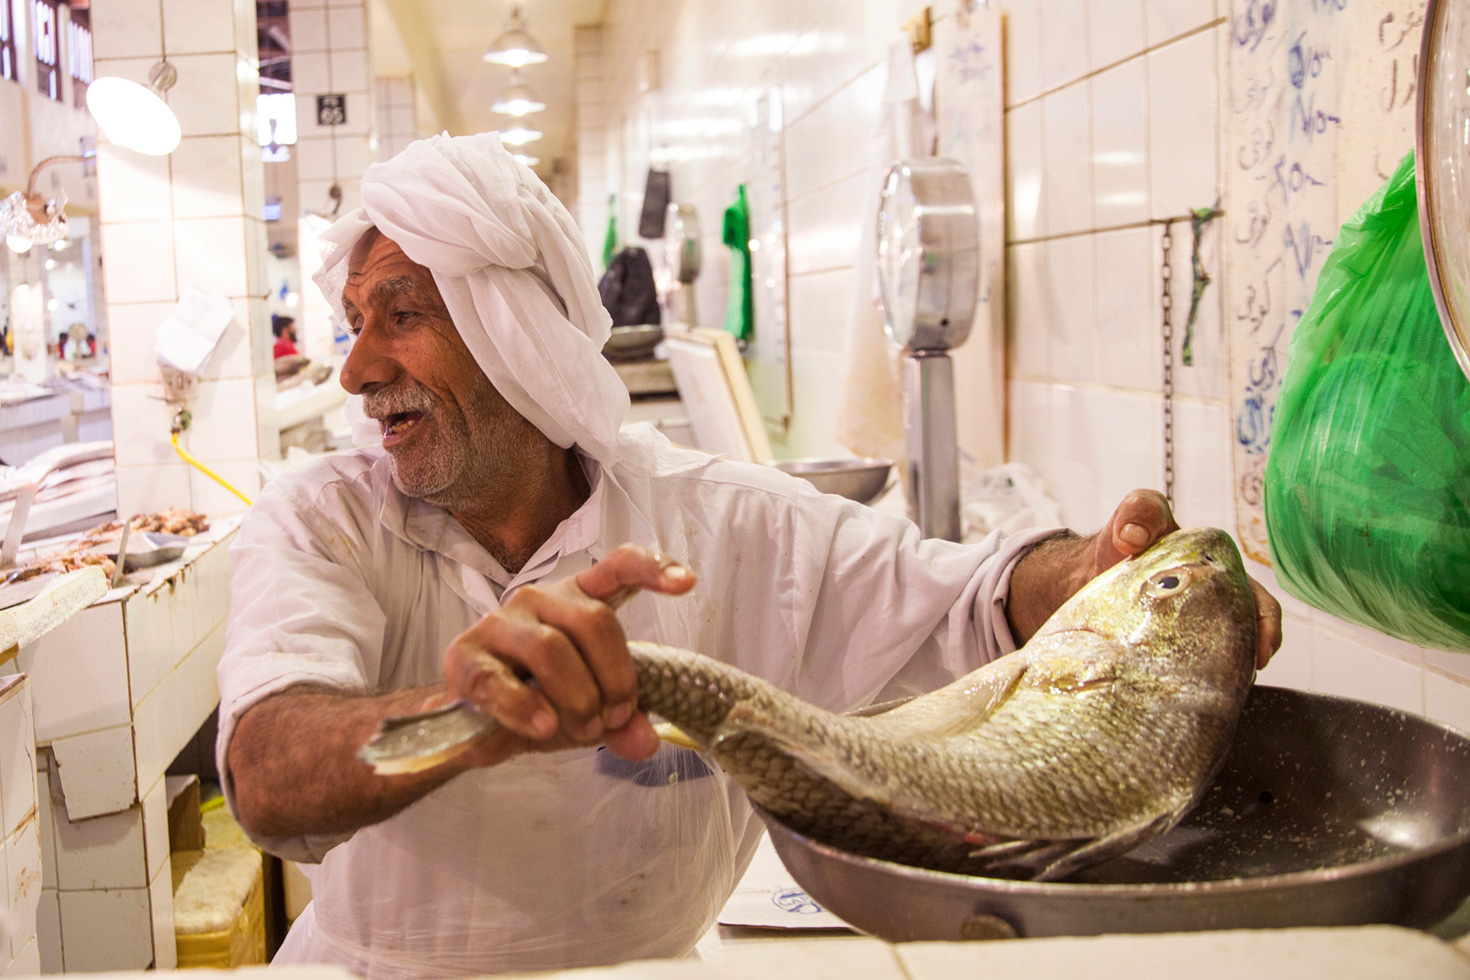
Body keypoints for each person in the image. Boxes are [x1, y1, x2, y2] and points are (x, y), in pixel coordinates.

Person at [218, 133, 1282, 980]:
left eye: (401, 315)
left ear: (515, 335)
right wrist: (475, 710)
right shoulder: (324, 519)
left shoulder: (723, 523)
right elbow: (267, 769)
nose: (355, 368)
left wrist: (1097, 570)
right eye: (353, 321)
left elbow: (972, 604)